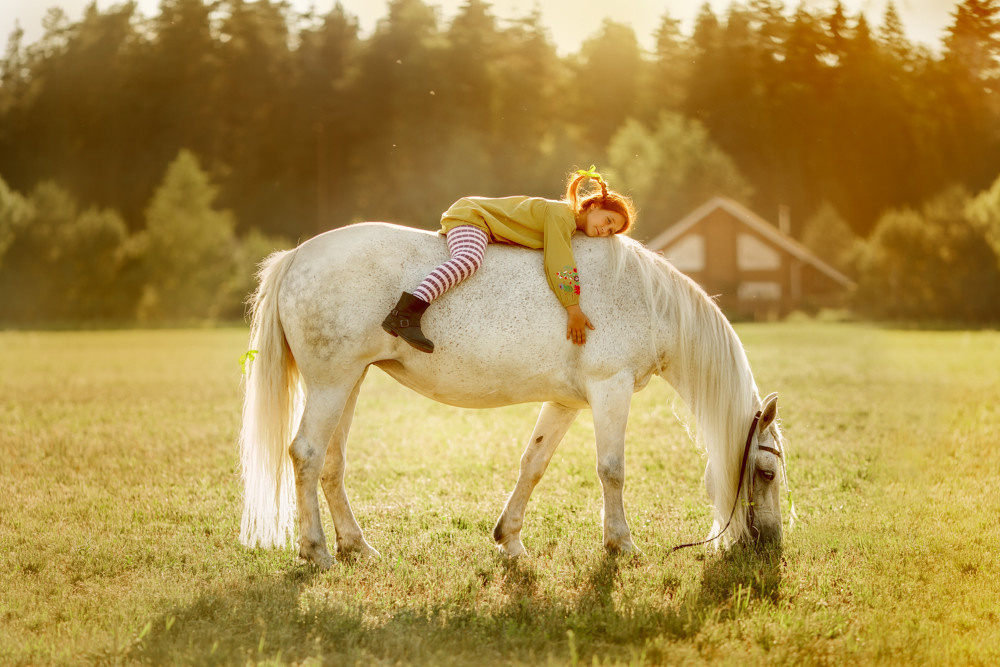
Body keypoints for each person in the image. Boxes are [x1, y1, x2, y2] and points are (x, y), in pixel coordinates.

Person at [382, 167, 636, 353]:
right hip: (474, 216)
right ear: (593, 207)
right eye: (608, 220)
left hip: (484, 224)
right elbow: (559, 261)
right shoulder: (562, 215)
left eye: (612, 231)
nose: (606, 230)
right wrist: (573, 307)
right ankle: (405, 313)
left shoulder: (567, 222)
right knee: (469, 260)